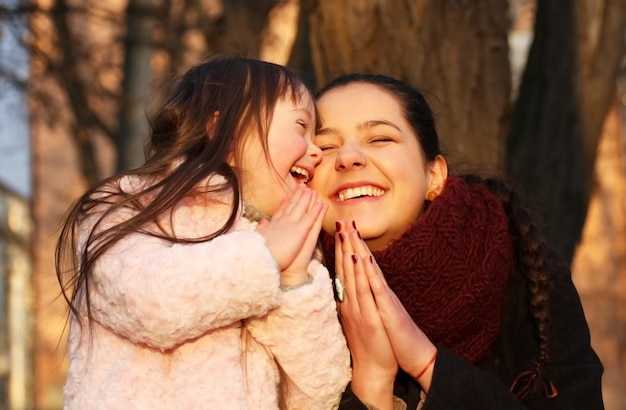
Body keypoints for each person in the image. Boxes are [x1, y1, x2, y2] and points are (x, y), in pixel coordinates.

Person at [55, 57, 351, 409]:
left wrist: (294, 282)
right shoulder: (131, 206)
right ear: (226, 132)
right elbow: (153, 303)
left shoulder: (292, 247)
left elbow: (321, 393)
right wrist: (263, 257)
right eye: (301, 126)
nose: (315, 150)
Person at [308, 73, 604, 410]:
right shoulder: (286, 295)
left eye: (379, 139)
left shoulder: (523, 268)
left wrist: (426, 362)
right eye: (325, 147)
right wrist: (372, 382)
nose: (347, 157)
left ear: (434, 176)